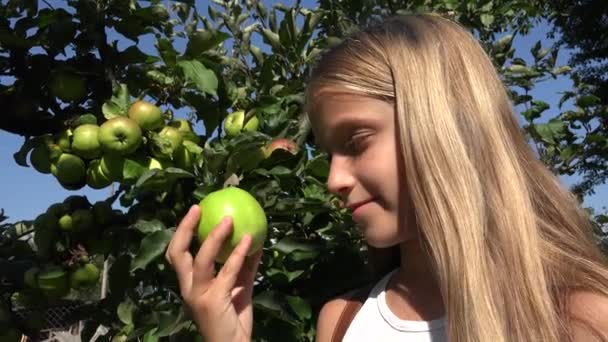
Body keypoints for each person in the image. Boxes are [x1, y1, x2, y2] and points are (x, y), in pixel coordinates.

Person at [165, 13, 608, 342]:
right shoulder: (341, 323)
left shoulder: (582, 320)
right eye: (329, 154)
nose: (334, 179)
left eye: (356, 142)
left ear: (444, 128)